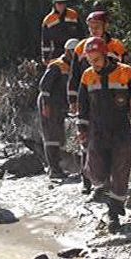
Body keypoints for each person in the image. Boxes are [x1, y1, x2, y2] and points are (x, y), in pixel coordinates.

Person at [77, 37, 131, 233]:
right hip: (97, 131)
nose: (94, 64)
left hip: (121, 131)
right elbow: (82, 107)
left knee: (120, 172)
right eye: (90, 61)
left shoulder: (125, 72)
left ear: (105, 55)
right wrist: (82, 129)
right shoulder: (87, 76)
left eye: (97, 60)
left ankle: (113, 214)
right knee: (96, 171)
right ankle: (104, 191)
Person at [68, 11, 127, 194]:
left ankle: (108, 183)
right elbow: (74, 75)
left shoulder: (116, 45)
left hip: (113, 102)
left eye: (97, 27)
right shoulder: (81, 48)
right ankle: (88, 181)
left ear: (105, 27)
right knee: (87, 140)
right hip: (90, 99)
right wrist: (73, 99)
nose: (93, 30)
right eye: (90, 27)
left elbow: (125, 71)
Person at [37, 38, 79, 180]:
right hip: (50, 104)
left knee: (58, 136)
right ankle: (54, 170)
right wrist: (45, 105)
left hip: (60, 105)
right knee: (51, 136)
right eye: (74, 52)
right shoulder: (57, 65)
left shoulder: (72, 67)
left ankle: (58, 167)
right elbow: (44, 86)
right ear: (68, 51)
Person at [40, 0, 84, 65]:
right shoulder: (48, 20)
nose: (61, 6)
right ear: (54, 3)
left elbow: (81, 33)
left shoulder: (73, 15)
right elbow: (45, 41)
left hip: (74, 52)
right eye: (59, 3)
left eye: (64, 3)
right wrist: (45, 58)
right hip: (57, 53)